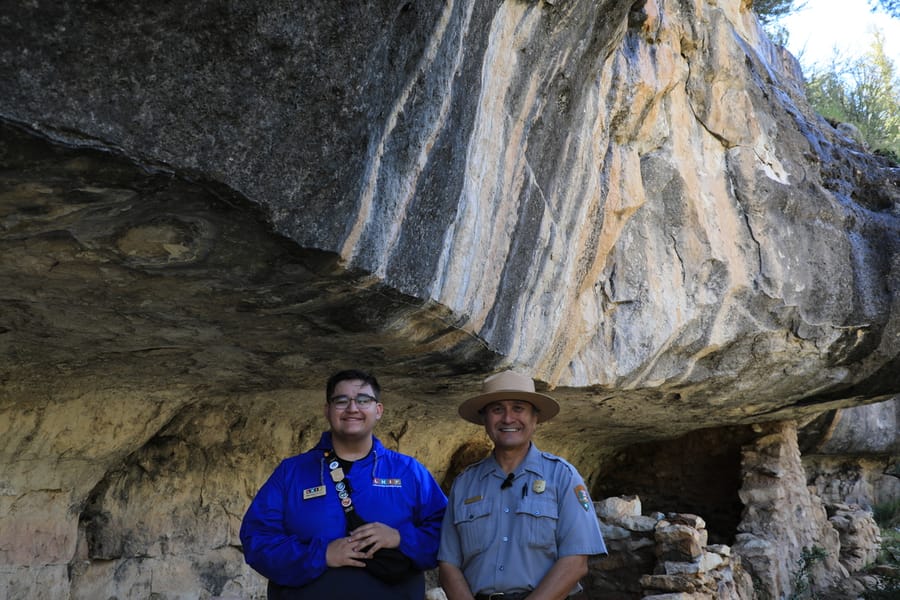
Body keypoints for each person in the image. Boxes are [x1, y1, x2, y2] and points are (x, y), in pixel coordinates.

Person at [240, 369, 447, 599]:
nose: (352, 408)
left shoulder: (409, 471)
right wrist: (322, 554)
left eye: (363, 400)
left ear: (378, 410)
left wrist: (400, 538)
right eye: (341, 401)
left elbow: (448, 536)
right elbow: (257, 540)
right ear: (327, 410)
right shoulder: (292, 472)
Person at [438, 370, 607, 600]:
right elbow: (448, 564)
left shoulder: (562, 477)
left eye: (518, 408)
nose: (508, 419)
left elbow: (576, 561)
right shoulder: (465, 484)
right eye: (497, 410)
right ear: (484, 419)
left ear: (535, 418)